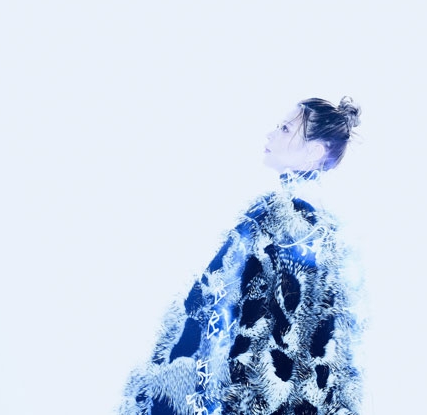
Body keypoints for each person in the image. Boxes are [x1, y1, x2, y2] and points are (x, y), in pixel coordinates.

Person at [120, 96, 364, 415]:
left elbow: (230, 310)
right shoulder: (322, 227)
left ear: (314, 151)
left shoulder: (281, 219)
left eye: (285, 128)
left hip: (251, 390)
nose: (271, 134)